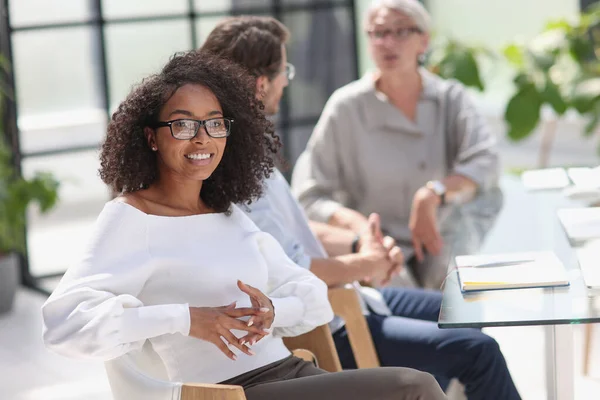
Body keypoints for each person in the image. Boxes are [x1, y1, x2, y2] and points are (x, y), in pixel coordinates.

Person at [41, 50, 447, 400]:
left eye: (214, 123)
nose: (202, 139)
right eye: (183, 125)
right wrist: (184, 318)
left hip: (292, 373)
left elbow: (311, 296)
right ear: (151, 137)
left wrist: (273, 311)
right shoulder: (131, 217)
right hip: (231, 393)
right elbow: (64, 325)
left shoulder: (228, 213)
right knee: (413, 387)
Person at [202, 15, 521, 400]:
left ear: (423, 41)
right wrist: (366, 264)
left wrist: (358, 243)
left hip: (354, 294)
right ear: (261, 82)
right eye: (284, 70)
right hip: (333, 318)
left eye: (400, 32)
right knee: (478, 351)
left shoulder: (251, 157)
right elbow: (291, 268)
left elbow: (294, 231)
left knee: (464, 312)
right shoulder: (240, 170)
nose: (288, 80)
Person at [291, 0, 503, 291]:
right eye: (378, 33)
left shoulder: (450, 99)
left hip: (443, 244)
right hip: (377, 251)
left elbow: (486, 162)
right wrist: (361, 230)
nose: (388, 42)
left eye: (402, 31)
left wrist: (433, 194)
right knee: (411, 316)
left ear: (423, 40)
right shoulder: (346, 107)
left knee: (461, 305)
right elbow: (309, 195)